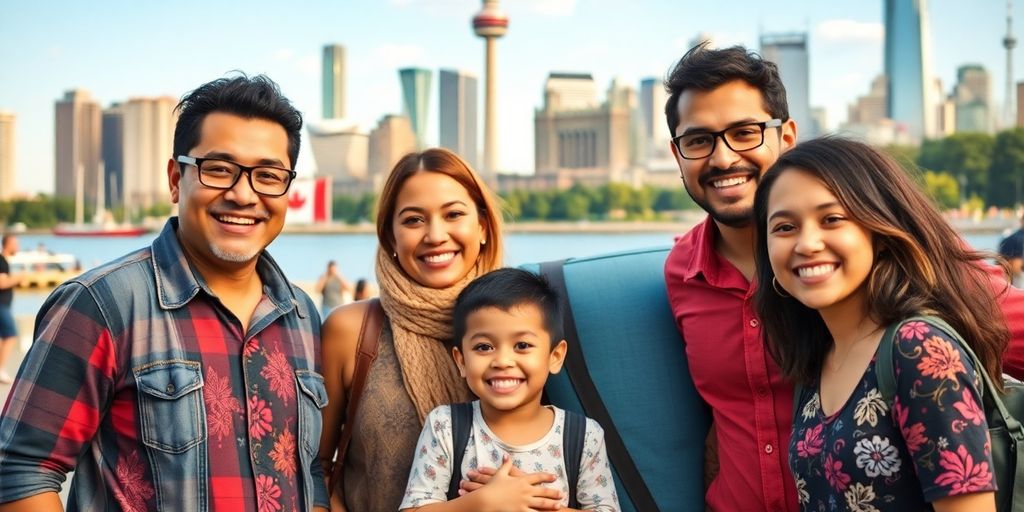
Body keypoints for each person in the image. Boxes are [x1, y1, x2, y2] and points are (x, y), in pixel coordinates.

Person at [662, 43, 1024, 511]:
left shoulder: (912, 291)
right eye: (698, 141)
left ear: (786, 137)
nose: (723, 158)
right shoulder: (682, 272)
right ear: (677, 154)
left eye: (745, 133)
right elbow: (721, 414)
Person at [0, 75, 330, 511]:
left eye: (268, 176)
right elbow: (22, 468)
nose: (243, 194)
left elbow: (307, 470)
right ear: (176, 179)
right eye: (219, 169)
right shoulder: (103, 304)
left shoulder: (302, 315)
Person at [753, 137, 998, 511]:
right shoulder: (816, 360)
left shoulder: (918, 349)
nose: (807, 244)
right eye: (785, 227)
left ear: (879, 233)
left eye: (832, 219)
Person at [319, 148, 528, 511]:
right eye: (414, 220)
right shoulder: (351, 331)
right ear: (391, 236)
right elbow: (314, 468)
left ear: (482, 226)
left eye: (453, 215)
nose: (435, 235)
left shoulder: (528, 327)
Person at [399, 268, 619, 511]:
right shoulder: (445, 426)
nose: (503, 361)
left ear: (555, 356)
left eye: (522, 345)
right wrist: (484, 501)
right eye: (484, 347)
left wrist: (528, 503)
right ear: (461, 361)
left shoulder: (584, 436)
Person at [0, 234, 21, 385]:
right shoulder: (2, 261)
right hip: (1, 305)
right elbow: (2, 283)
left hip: (4, 305)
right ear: (8, 244)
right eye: (16, 243)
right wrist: (19, 278)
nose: (18, 246)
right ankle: (0, 370)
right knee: (11, 335)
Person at [998, 212, 1024, 287]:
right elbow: (1016, 266)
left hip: (1004, 282)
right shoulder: (1019, 239)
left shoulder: (1009, 238)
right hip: (1016, 281)